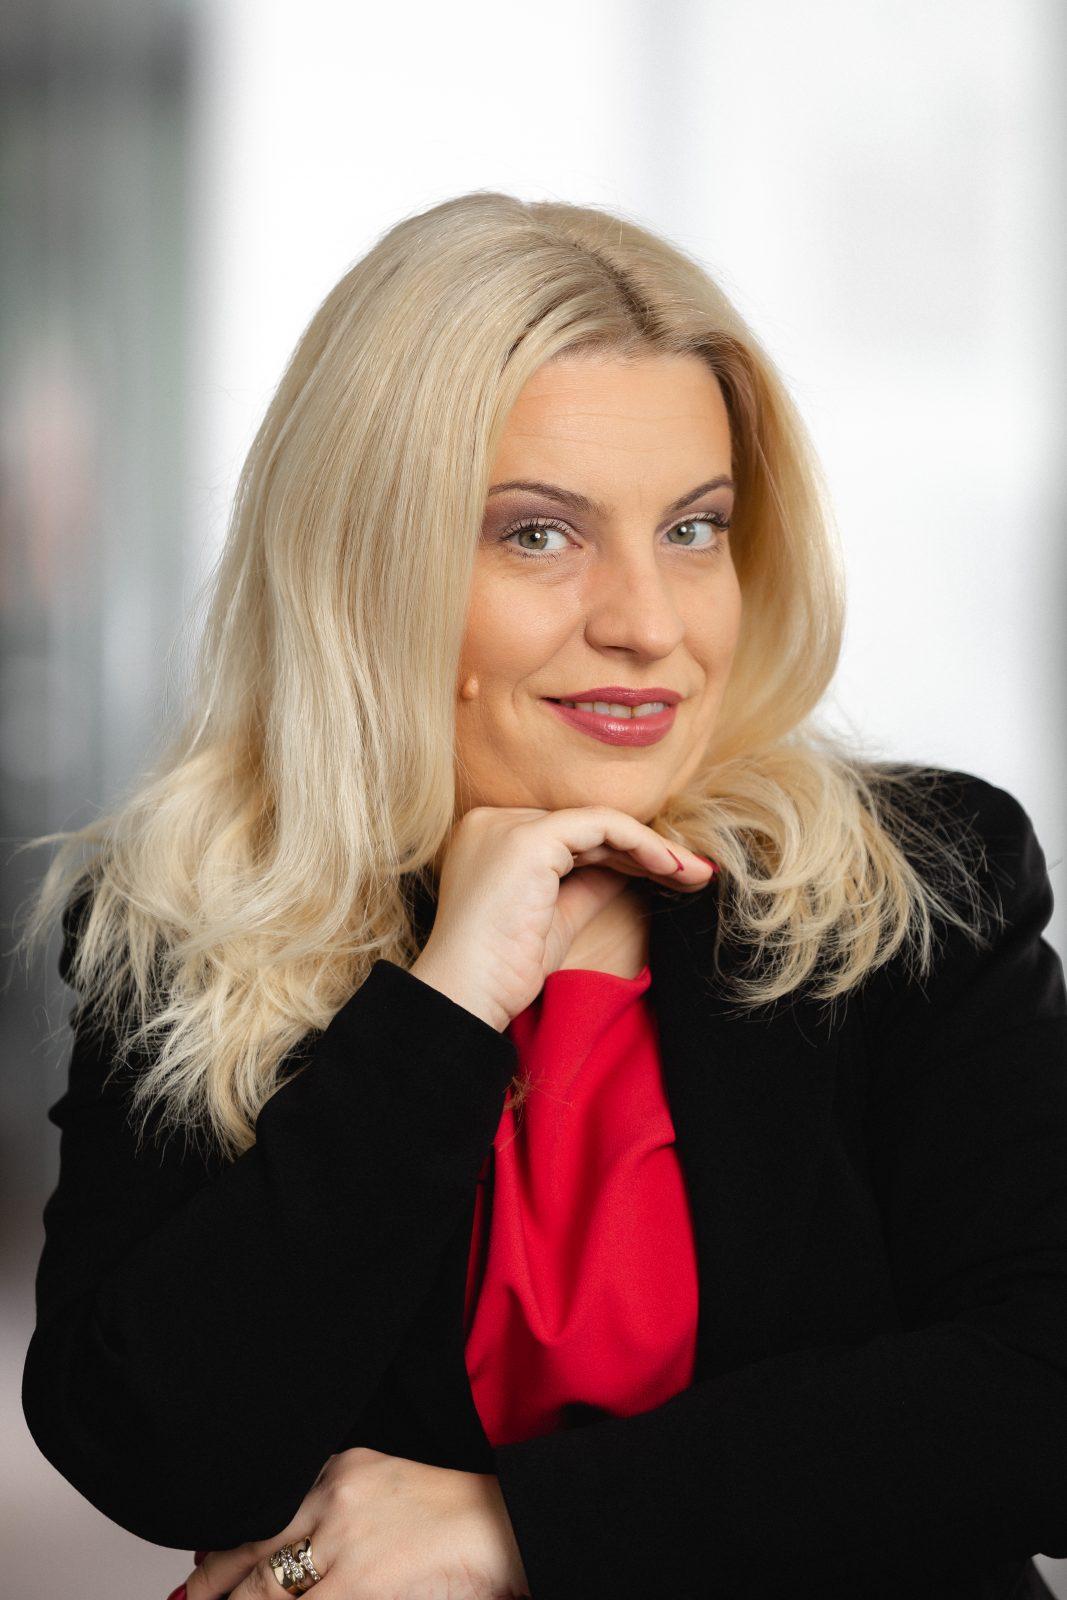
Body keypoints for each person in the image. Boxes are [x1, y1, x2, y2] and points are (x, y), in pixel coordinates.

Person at [15, 190, 1067, 1600]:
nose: (648, 622)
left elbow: (1039, 1394)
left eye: (694, 529)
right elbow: (156, 1452)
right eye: (538, 535)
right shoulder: (191, 921)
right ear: (368, 565)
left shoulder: (916, 886)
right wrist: (443, 1003)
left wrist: (509, 1531)